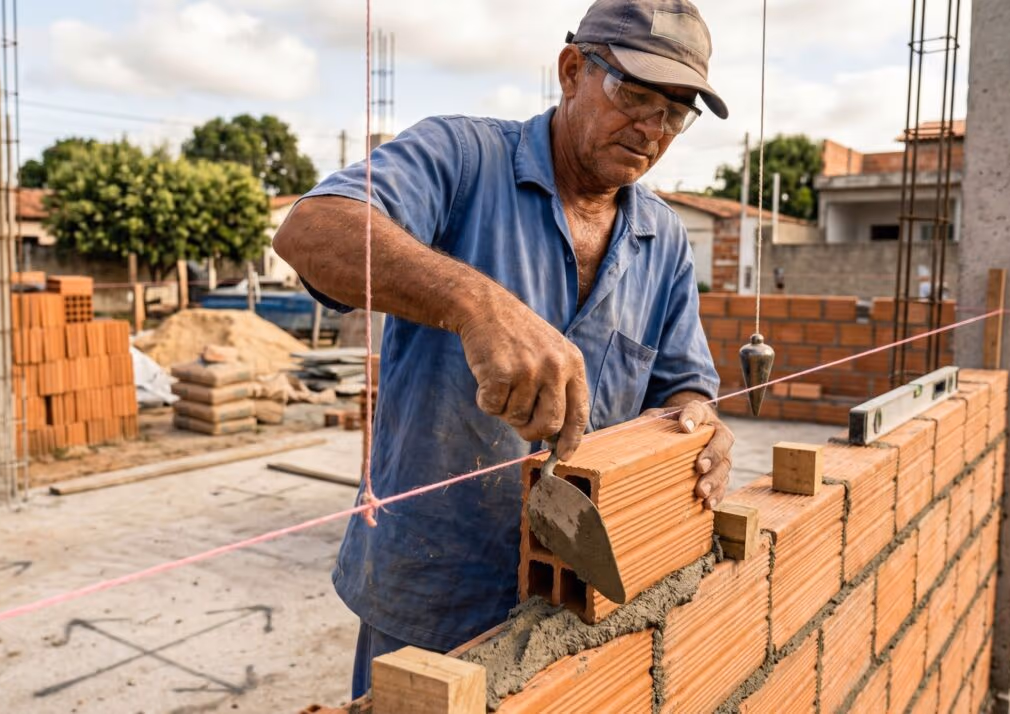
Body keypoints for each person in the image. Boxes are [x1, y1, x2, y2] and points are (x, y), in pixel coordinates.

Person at [273, 0, 736, 699]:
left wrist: (699, 428)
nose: (651, 128)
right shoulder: (462, 158)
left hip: (578, 597)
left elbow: (682, 387)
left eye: (675, 113)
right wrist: (474, 303)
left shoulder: (664, 240)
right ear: (572, 70)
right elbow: (310, 232)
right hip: (433, 588)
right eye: (634, 94)